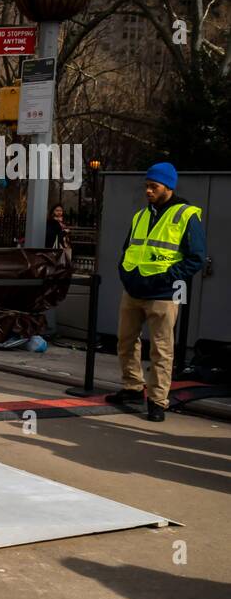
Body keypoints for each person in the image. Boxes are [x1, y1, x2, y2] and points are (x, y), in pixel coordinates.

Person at [105, 162, 206, 422]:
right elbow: (129, 249)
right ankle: (132, 388)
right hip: (134, 290)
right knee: (126, 342)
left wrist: (164, 277)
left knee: (161, 349)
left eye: (154, 186)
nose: (148, 190)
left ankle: (158, 401)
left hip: (162, 294)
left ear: (168, 187)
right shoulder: (141, 215)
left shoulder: (186, 215)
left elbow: (196, 259)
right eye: (147, 186)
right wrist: (126, 274)